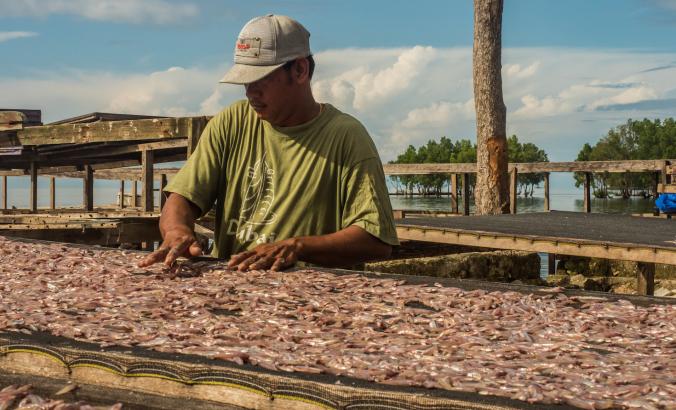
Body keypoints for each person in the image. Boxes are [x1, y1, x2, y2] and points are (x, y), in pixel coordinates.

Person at [139, 14, 398, 271]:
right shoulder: (232, 122)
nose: (250, 91)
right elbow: (182, 198)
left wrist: (297, 247)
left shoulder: (347, 137)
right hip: (232, 283)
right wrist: (176, 230)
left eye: (260, 78)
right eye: (245, 81)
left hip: (311, 296)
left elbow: (375, 240)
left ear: (299, 70)